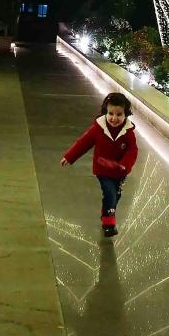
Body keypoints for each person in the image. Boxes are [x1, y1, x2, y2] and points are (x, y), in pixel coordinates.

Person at [61, 92, 139, 237]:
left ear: (126, 114)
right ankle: (109, 224)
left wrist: (124, 165)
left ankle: (106, 214)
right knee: (109, 193)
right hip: (102, 170)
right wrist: (70, 156)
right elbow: (84, 142)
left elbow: (132, 151)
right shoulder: (99, 128)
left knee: (116, 195)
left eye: (119, 114)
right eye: (111, 113)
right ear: (105, 112)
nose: (114, 118)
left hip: (120, 171)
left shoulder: (128, 132)